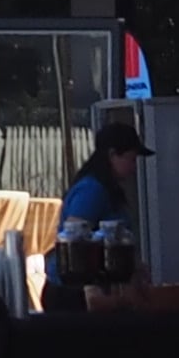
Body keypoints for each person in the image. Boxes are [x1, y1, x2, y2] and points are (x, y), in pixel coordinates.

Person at [46, 119, 149, 314]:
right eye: (131, 159)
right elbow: (74, 238)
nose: (134, 167)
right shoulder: (92, 190)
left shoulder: (104, 188)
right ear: (112, 155)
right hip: (76, 295)